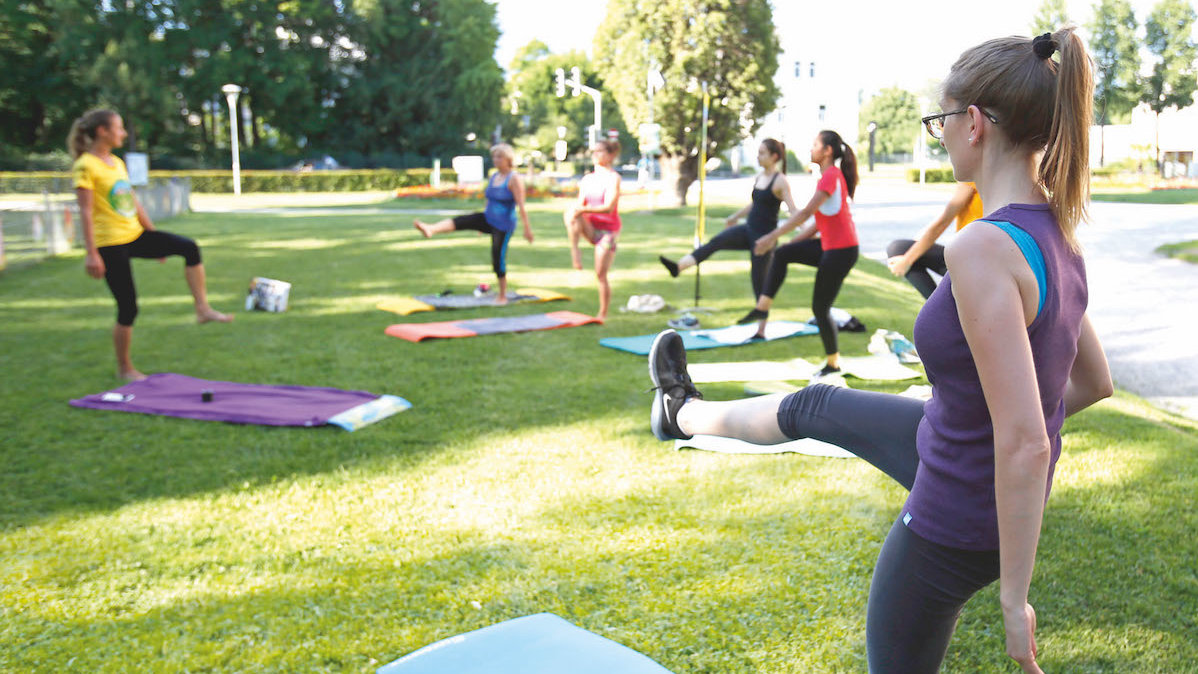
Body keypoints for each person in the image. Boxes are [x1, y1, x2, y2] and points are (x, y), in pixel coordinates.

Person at [647, 28, 1112, 673]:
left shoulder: (982, 249)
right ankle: (680, 412)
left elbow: (1027, 441)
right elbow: (1093, 383)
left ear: (973, 122)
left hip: (956, 511)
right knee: (815, 404)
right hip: (949, 446)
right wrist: (965, 405)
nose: (939, 134)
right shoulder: (1059, 235)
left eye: (939, 122)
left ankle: (680, 415)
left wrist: (1014, 595)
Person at [72, 109, 232, 381]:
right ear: (103, 131)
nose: (123, 133)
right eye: (119, 128)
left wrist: (155, 239)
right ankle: (125, 368)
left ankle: (202, 309)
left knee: (189, 247)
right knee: (128, 307)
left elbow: (132, 201)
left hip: (135, 235)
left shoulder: (116, 163)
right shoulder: (86, 165)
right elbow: (85, 212)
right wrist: (91, 253)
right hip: (110, 245)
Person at [739, 130, 860, 378]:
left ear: (827, 151)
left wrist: (772, 237)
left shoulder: (830, 177)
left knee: (820, 307)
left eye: (815, 145)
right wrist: (791, 244)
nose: (811, 148)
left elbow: (804, 214)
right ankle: (763, 306)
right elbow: (818, 222)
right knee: (783, 254)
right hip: (831, 246)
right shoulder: (829, 177)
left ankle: (833, 363)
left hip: (841, 251)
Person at [658, 139, 799, 304]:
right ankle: (678, 267)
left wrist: (807, 229)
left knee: (759, 282)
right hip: (748, 230)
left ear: (774, 156)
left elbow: (793, 211)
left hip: (763, 239)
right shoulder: (760, 177)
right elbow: (756, 204)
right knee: (716, 242)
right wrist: (735, 217)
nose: (758, 157)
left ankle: (761, 327)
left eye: (762, 153)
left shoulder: (781, 181)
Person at [413, 144, 534, 303]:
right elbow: (489, 199)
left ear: (508, 160)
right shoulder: (494, 176)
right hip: (488, 217)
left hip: (503, 225)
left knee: (497, 258)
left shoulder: (514, 179)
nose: (495, 160)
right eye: (494, 157)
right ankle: (431, 229)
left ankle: (502, 295)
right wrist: (481, 226)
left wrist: (527, 229)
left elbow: (521, 205)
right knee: (462, 220)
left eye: (499, 157)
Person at [886, 182, 984, 299]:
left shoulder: (971, 179)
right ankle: (942, 310)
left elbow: (943, 222)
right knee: (901, 248)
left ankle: (941, 313)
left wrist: (907, 260)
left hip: (972, 264)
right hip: (974, 262)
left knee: (898, 249)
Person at [563, 139, 622, 322]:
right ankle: (575, 250)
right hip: (590, 227)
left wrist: (582, 210)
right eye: (594, 151)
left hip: (607, 232)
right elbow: (580, 205)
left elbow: (609, 208)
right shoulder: (588, 179)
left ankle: (602, 313)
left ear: (611, 155)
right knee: (571, 211)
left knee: (600, 273)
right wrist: (578, 211)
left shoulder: (613, 178)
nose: (595, 154)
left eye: (600, 151)